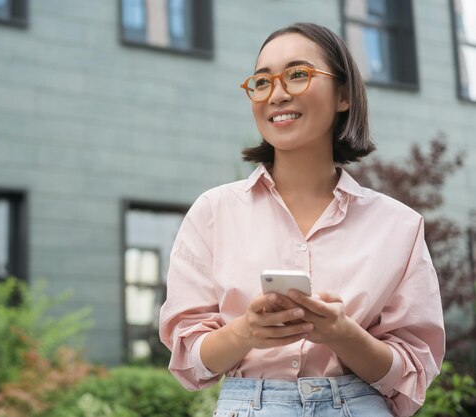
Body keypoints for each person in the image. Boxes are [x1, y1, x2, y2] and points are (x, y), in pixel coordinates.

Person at [159, 22, 444, 417]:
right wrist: (246, 332)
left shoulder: (400, 226)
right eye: (262, 82)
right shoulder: (213, 212)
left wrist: (344, 335)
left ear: (343, 95)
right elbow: (189, 361)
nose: (276, 94)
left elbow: (413, 373)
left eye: (297, 75)